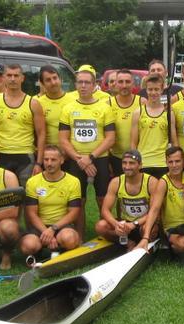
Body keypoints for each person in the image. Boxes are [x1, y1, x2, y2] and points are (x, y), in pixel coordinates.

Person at [59, 67, 116, 229]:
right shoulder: (68, 108)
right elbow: (63, 139)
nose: (83, 86)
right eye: (80, 82)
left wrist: (90, 158)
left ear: (94, 85)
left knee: (102, 199)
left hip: (99, 159)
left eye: (87, 83)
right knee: (79, 201)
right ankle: (79, 238)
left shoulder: (105, 107)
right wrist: (80, 159)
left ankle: (106, 232)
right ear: (75, 85)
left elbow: (111, 138)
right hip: (76, 160)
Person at [0, 64, 46, 186]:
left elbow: (41, 134)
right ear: (4, 78)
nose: (12, 79)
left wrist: (39, 163)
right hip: (1, 155)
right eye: (9, 75)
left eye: (16, 75)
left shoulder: (33, 103)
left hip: (25, 157)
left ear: (22, 78)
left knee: (26, 196)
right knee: (2, 198)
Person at [20, 146, 82, 257]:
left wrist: (53, 229)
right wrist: (46, 231)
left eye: (53, 160)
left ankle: (60, 247)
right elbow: (31, 213)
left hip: (62, 226)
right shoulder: (33, 181)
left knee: (70, 239)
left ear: (62, 160)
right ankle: (41, 249)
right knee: (27, 246)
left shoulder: (73, 181)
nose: (49, 163)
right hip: (40, 227)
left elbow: (74, 213)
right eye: (46, 159)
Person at [95, 150, 157, 250]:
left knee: (152, 230)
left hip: (143, 224)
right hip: (124, 225)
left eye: (131, 163)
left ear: (140, 165)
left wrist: (134, 224)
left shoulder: (151, 182)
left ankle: (144, 243)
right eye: (124, 163)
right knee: (100, 226)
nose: (127, 167)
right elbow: (105, 210)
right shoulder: (116, 182)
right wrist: (117, 225)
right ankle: (127, 243)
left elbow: (155, 212)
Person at [144, 146, 184, 255]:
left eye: (177, 161)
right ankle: (169, 247)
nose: (174, 165)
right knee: (183, 244)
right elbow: (154, 209)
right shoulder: (163, 182)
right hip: (172, 228)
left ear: (183, 162)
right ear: (166, 162)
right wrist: (145, 237)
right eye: (170, 162)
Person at [130, 73, 169, 178]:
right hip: (144, 162)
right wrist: (135, 161)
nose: (153, 93)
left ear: (162, 90)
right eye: (150, 89)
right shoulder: (138, 112)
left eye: (156, 89)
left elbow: (174, 141)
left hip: (163, 163)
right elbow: (133, 143)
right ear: (146, 90)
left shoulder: (169, 113)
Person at [110, 69, 142, 177]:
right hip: (115, 157)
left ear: (133, 83)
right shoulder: (107, 104)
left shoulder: (142, 102)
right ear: (115, 84)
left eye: (128, 82)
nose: (124, 85)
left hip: (138, 157)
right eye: (121, 82)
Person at [35, 65, 71, 149]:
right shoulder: (37, 103)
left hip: (71, 152)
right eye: (48, 80)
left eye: (55, 78)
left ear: (61, 79)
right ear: (42, 83)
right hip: (49, 155)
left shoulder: (74, 100)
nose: (53, 82)